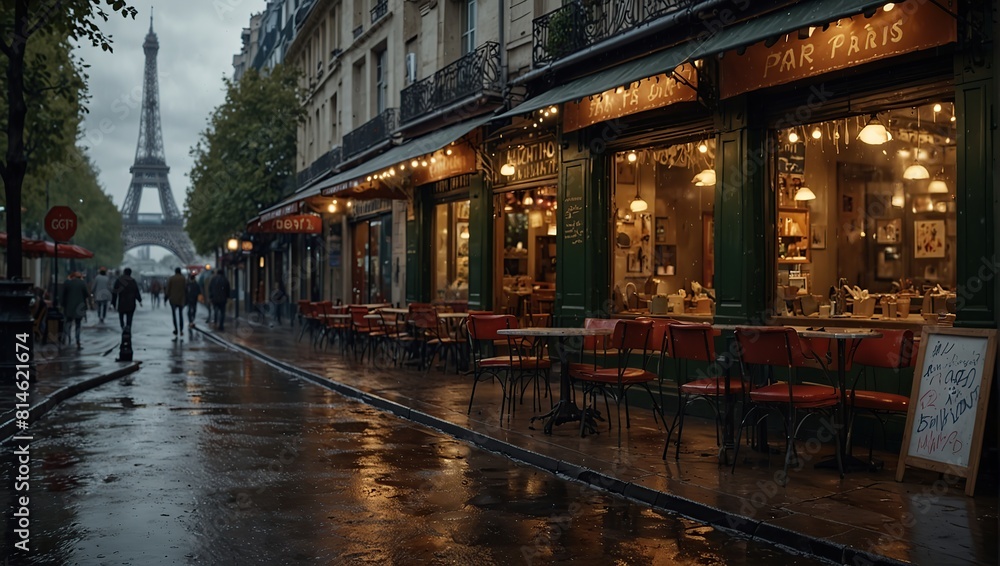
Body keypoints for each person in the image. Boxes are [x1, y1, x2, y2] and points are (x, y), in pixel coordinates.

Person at [60, 272, 89, 348]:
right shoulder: (82, 283)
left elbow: (63, 295)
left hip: (69, 307)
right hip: (79, 307)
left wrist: (63, 305)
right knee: (78, 324)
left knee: (68, 322)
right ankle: (77, 340)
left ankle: (66, 337)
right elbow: (86, 294)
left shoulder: (68, 283)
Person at [166, 267, 187, 339]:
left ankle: (176, 329)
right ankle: (181, 330)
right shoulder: (183, 278)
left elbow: (168, 289)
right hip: (181, 299)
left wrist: (166, 297)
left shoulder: (171, 278)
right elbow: (186, 288)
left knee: (174, 315)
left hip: (173, 299)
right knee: (181, 315)